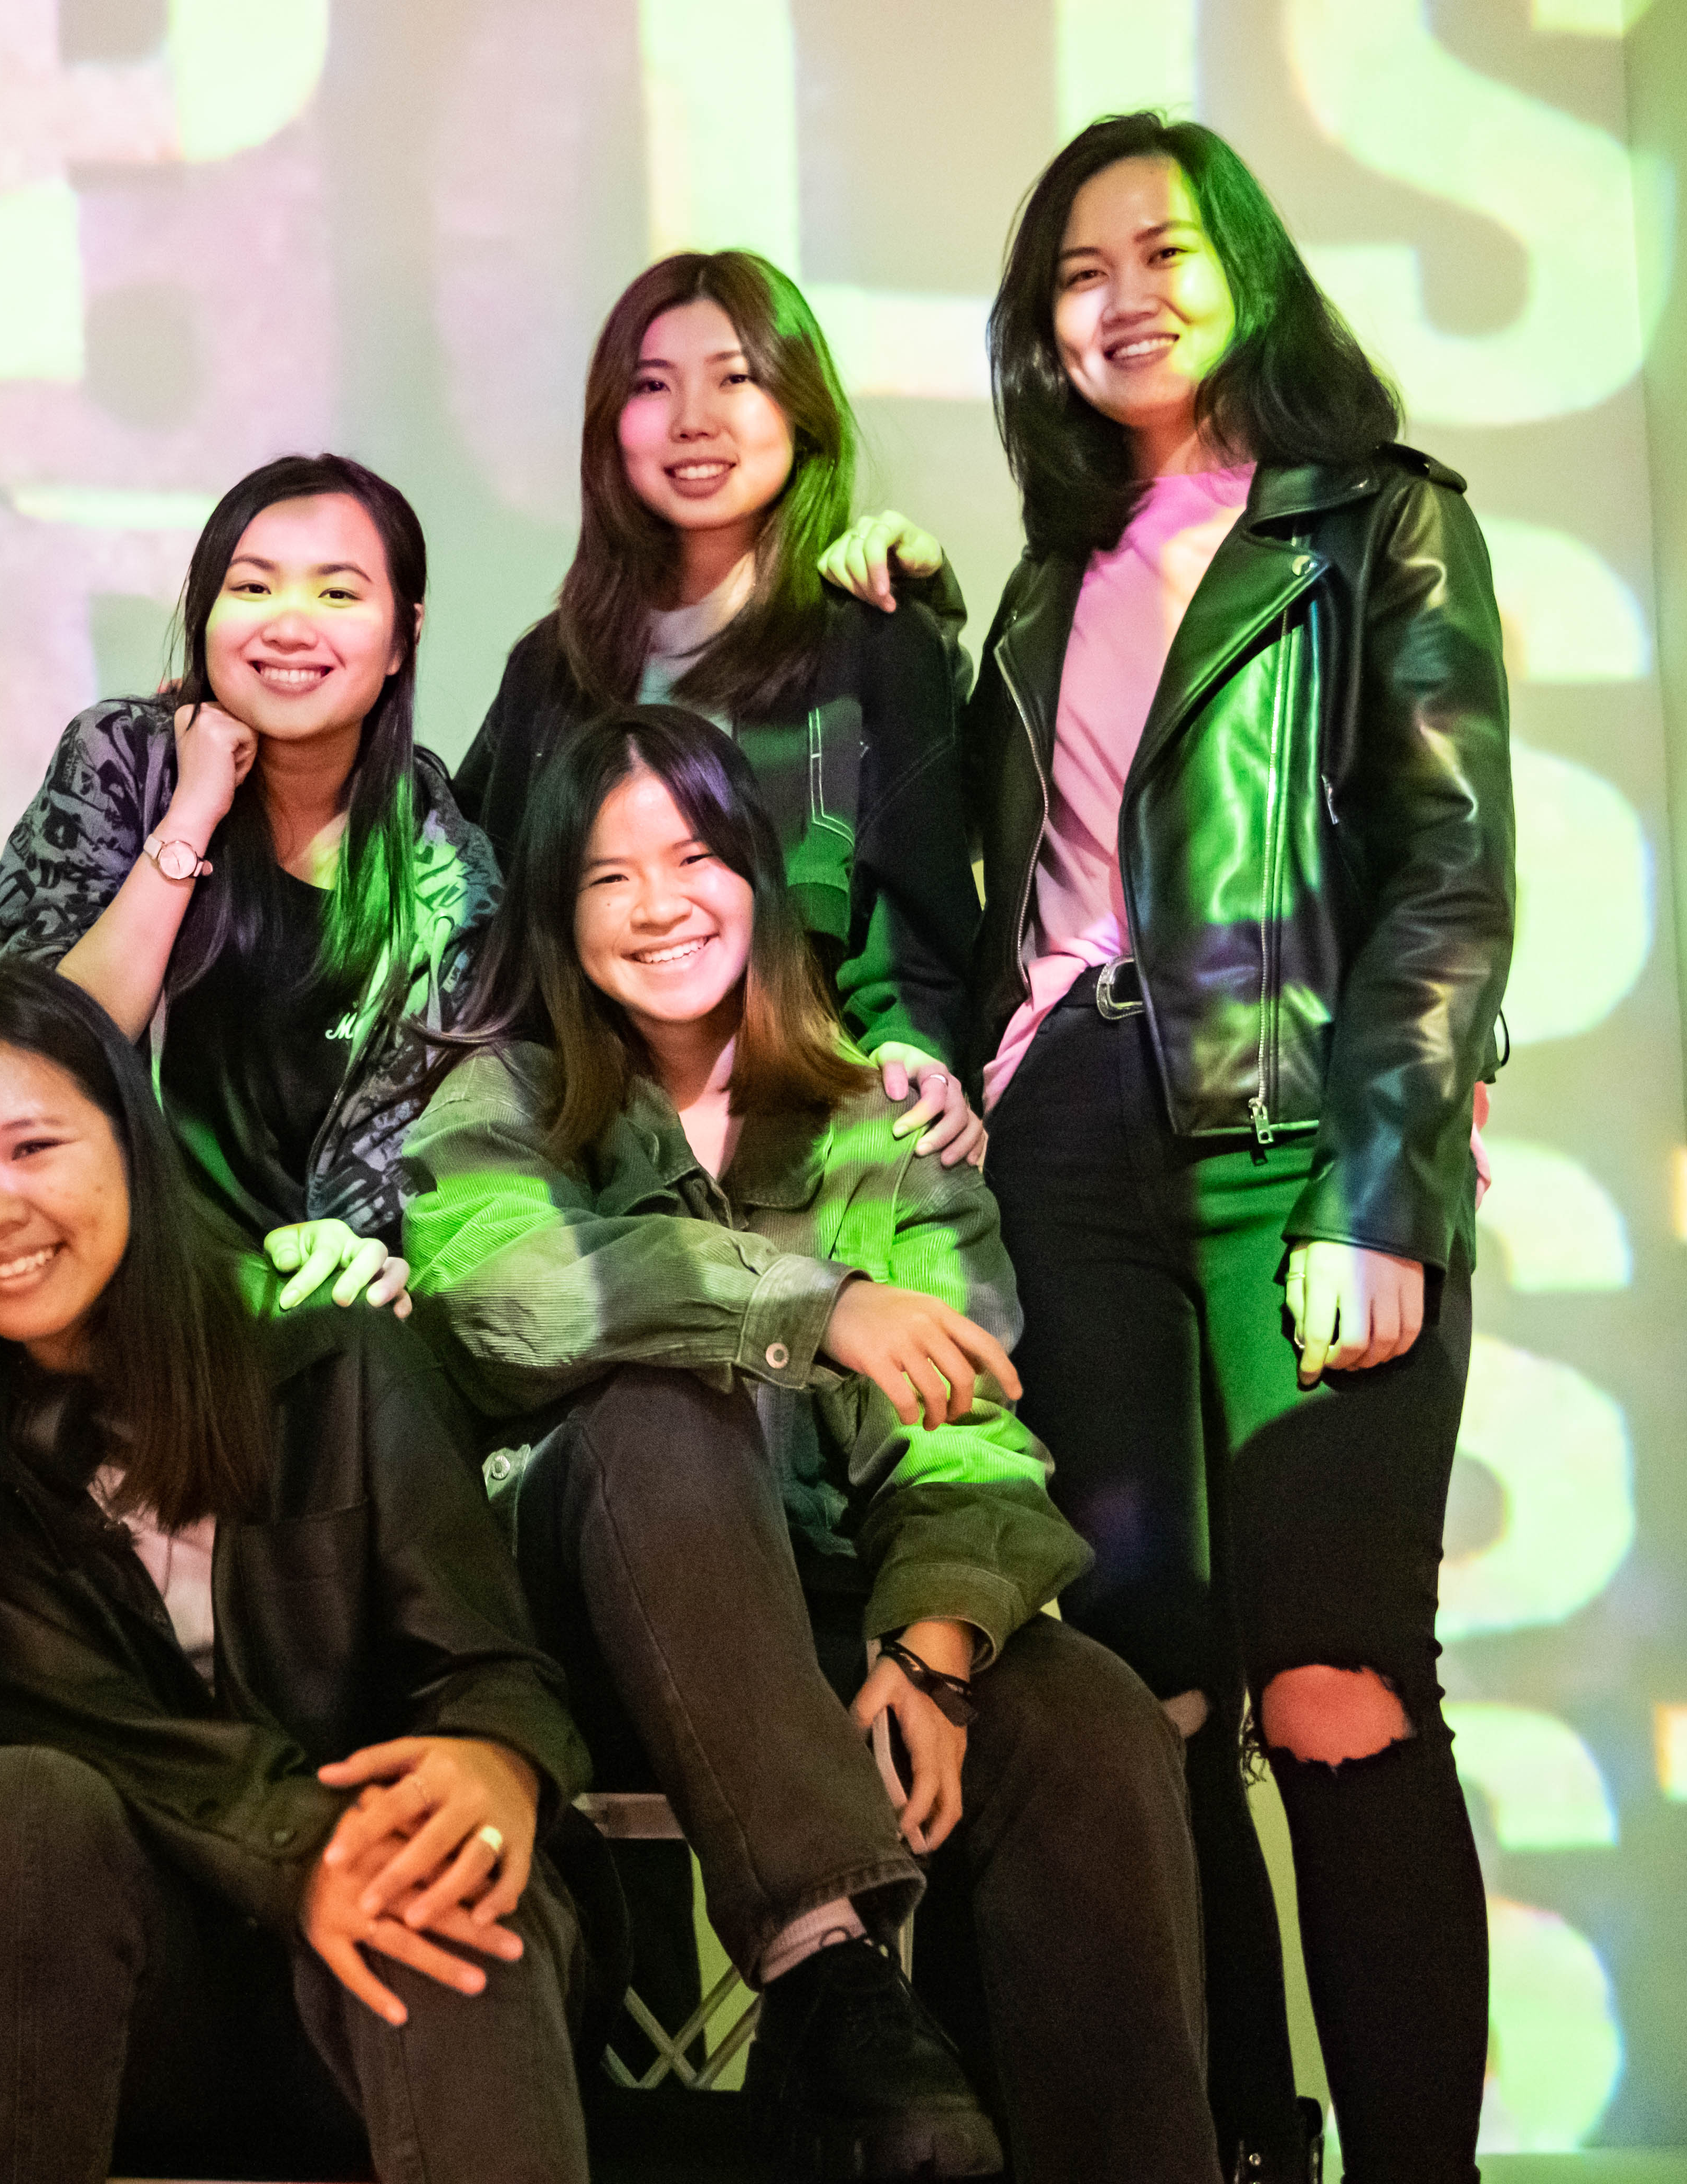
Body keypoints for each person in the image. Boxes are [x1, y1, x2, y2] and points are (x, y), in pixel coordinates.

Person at [827, 112, 1513, 2182]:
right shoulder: (1046, 583)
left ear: (1249, 275)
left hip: (1294, 1131)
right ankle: (1231, 2145)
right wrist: (914, 630)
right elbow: (995, 882)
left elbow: (1451, 870)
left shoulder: (1375, 524)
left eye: (1165, 252)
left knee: (1333, 1683)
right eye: (1076, 270)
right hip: (1068, 1149)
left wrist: (1383, 1179)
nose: (1121, 295)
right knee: (1153, 1706)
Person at [404, 709, 1216, 2182]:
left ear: (762, 882)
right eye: (610, 876)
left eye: (698, 856)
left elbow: (967, 1429)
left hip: (828, 1610)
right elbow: (504, 1298)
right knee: (661, 1411)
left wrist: (935, 1648)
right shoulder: (501, 1099)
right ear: (556, 914)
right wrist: (810, 1305)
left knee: (1088, 1713)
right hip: (596, 1613)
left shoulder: (878, 1132)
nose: (661, 905)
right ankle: (830, 1971)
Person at [0, 963, 597, 2184]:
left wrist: (498, 1755)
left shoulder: (338, 1362)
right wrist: (304, 1848)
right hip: (148, 1988)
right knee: (12, 1807)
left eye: (32, 1145)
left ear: (131, 1138)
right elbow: (97, 1737)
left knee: (430, 1862)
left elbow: (490, 1661)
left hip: (415, 1996)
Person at [455, 250, 987, 1168]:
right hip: (583, 1155)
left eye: (736, 378)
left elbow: (926, 913)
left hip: (819, 1145)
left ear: (800, 407)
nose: (694, 421)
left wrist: (921, 1051)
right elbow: (465, 888)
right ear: (611, 426)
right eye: (653, 385)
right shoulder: (552, 669)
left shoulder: (874, 640)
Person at [0, 451, 494, 1303]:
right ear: (205, 612)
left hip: (316, 1289)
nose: (290, 626)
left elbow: (450, 1154)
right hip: (114, 1271)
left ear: (404, 636)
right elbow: (44, 1054)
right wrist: (191, 814)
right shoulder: (122, 763)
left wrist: (379, 1258)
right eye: (254, 588)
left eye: (338, 594)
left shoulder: (444, 871)